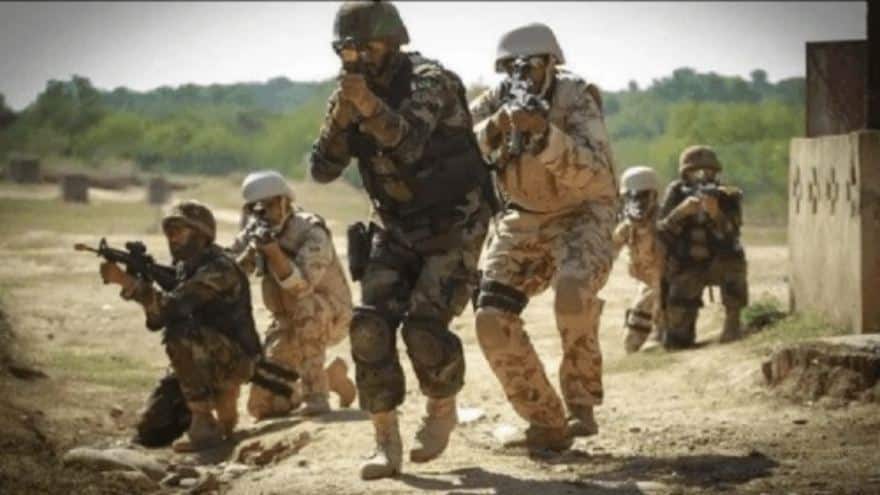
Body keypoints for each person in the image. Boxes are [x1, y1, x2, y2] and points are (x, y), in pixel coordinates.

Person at [309, 0, 492, 479]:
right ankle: (384, 441)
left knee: (424, 329)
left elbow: (407, 143)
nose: (356, 58)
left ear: (391, 42)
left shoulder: (431, 81)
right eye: (346, 50)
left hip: (455, 222)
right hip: (394, 224)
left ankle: (441, 408)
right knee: (369, 327)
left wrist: (368, 106)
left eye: (364, 47)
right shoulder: (348, 95)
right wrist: (341, 119)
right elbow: (322, 170)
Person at [469, 22, 618, 451]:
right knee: (490, 319)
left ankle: (581, 403)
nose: (522, 75)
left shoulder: (576, 97)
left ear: (551, 64)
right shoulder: (495, 100)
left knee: (572, 293)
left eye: (531, 65)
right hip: (524, 216)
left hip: (583, 212)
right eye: (511, 68)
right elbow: (457, 150)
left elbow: (594, 173)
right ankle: (545, 420)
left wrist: (545, 136)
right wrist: (495, 128)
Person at [98, 200, 261, 452]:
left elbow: (171, 309)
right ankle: (215, 413)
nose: (171, 238)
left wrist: (127, 282)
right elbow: (156, 322)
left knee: (179, 333)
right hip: (205, 356)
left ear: (201, 235)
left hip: (236, 361)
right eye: (168, 232)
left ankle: (205, 422)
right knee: (151, 430)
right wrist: (143, 281)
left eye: (178, 231)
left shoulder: (219, 268)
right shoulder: (185, 268)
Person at [227, 170, 356, 419]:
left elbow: (302, 287)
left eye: (270, 205)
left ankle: (316, 395)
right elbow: (229, 269)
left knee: (306, 306)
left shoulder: (310, 231)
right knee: (262, 407)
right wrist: (249, 253)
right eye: (256, 208)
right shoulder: (255, 230)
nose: (263, 213)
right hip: (286, 322)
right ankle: (331, 377)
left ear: (285, 202)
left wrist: (274, 253)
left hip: (330, 315)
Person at [656, 145, 748, 349]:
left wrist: (717, 214)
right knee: (677, 342)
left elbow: (733, 234)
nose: (702, 177)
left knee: (734, 259)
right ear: (685, 174)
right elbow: (660, 233)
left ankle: (733, 320)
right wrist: (680, 213)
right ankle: (669, 327)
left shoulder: (727, 195)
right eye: (695, 172)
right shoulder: (676, 193)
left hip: (719, 263)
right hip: (687, 265)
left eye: (708, 171)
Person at [612, 166, 665, 353]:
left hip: (669, 284)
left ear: (654, 196)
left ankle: (663, 331)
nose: (638, 202)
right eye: (632, 196)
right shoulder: (627, 227)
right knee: (630, 344)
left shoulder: (666, 222)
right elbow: (609, 251)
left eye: (643, 196)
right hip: (648, 285)